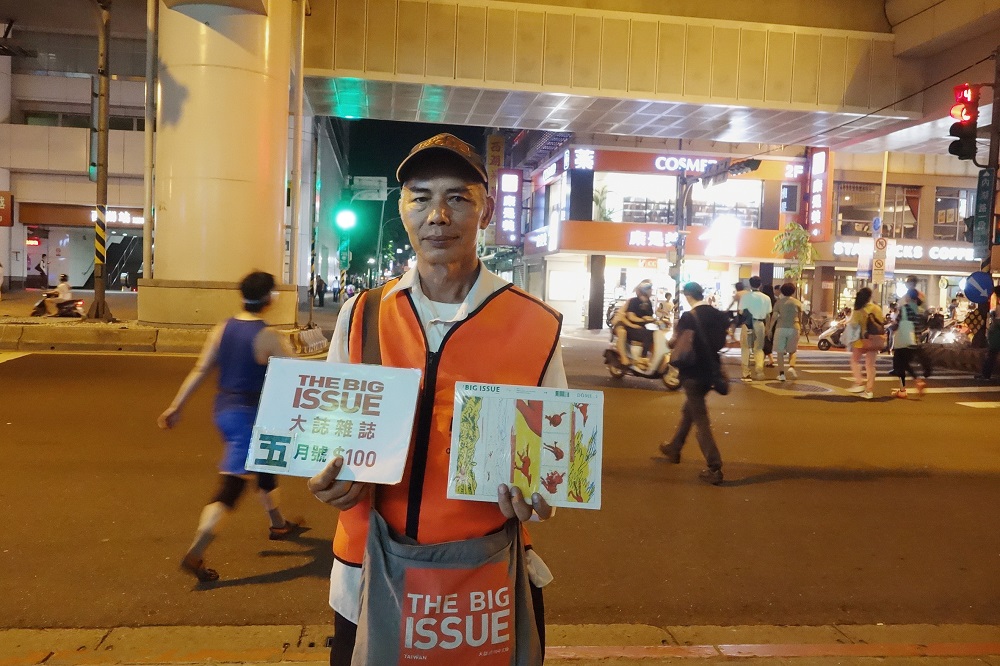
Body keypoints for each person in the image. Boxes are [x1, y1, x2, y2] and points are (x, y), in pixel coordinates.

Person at [307, 133, 566, 665]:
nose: (438, 215)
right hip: (367, 574)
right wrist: (328, 478)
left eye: (458, 198)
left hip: (484, 579)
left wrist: (538, 500)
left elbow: (549, 470)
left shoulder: (536, 324)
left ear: (486, 209)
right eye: (420, 197)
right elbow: (328, 437)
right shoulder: (361, 314)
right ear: (402, 208)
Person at [157, 271, 298, 582]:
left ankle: (279, 523)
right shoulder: (268, 336)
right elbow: (298, 375)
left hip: (224, 410)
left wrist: (176, 406)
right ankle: (196, 552)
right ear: (270, 298)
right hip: (250, 416)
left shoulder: (223, 328)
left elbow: (202, 368)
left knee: (263, 464)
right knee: (231, 487)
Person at [658, 282, 730, 485]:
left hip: (692, 373)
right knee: (689, 410)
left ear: (688, 295)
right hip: (711, 371)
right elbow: (721, 343)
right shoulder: (717, 315)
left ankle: (714, 466)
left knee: (701, 420)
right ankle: (674, 447)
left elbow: (675, 343)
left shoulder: (689, 317)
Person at [846, 287, 885, 399]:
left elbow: (853, 325)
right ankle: (869, 390)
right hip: (876, 339)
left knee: (854, 360)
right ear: (870, 297)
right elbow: (881, 322)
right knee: (870, 365)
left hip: (863, 340)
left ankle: (859, 383)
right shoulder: (877, 308)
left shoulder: (859, 310)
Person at [890, 288, 928, 398]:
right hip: (914, 341)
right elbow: (921, 326)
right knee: (905, 364)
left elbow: (898, 323)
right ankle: (917, 381)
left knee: (900, 365)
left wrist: (889, 329)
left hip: (903, 341)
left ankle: (904, 389)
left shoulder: (905, 309)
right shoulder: (921, 310)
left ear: (909, 297)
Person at [612, 280, 656, 366]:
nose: (651, 290)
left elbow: (649, 316)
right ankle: (631, 357)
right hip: (622, 322)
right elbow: (627, 316)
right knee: (622, 333)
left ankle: (646, 358)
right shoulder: (633, 301)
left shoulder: (648, 302)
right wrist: (638, 322)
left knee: (653, 333)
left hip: (634, 324)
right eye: (649, 288)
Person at [739, 276, 772, 381]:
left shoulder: (745, 297)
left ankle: (746, 373)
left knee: (745, 348)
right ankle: (759, 367)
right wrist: (768, 328)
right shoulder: (766, 298)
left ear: (750, 284)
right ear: (760, 284)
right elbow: (768, 315)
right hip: (760, 323)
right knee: (758, 348)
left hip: (747, 324)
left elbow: (741, 312)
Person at [769, 282, 802, 382]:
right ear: (793, 291)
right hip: (794, 327)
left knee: (780, 352)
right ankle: (791, 367)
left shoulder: (779, 302)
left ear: (782, 291)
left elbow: (774, 317)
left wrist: (770, 329)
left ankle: (782, 374)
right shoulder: (797, 303)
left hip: (781, 328)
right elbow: (800, 316)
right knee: (792, 351)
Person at [975, 285, 1000, 381]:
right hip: (995, 337)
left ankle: (986, 375)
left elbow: (996, 323)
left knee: (991, 356)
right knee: (991, 356)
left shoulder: (997, 308)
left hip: (996, 338)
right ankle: (985, 374)